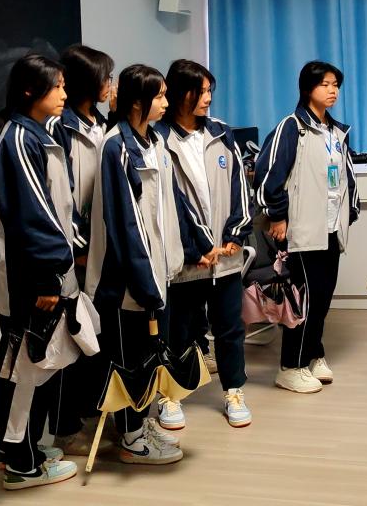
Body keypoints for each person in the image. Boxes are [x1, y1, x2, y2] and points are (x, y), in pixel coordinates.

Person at [84, 64, 216, 465]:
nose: (165, 102)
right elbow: (125, 224)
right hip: (127, 280)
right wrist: (145, 285)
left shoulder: (155, 141)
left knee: (150, 356)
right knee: (128, 361)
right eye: (159, 96)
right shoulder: (116, 147)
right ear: (137, 101)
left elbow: (174, 202)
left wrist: (197, 246)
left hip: (159, 274)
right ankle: (131, 438)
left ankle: (142, 423)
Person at [0, 54, 79, 489]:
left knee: (22, 361)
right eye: (58, 86)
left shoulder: (33, 134)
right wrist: (49, 277)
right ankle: (22, 463)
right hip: (31, 277)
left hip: (32, 273)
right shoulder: (19, 139)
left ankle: (14, 447)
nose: (65, 94)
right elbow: (34, 217)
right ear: (31, 90)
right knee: (28, 366)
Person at [155, 60, 253, 428]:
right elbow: (165, 202)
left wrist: (235, 234)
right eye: (201, 91)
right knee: (178, 331)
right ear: (180, 93)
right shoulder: (158, 139)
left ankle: (234, 390)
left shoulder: (221, 133)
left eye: (210, 90)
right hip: (187, 260)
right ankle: (171, 395)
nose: (208, 98)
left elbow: (239, 187)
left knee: (230, 328)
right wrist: (193, 249)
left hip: (225, 256)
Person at [254, 61, 360, 394]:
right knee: (302, 301)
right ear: (307, 88)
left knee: (322, 298)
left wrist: (349, 212)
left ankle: (313, 354)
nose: (333, 90)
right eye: (325, 84)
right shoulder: (292, 127)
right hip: (302, 230)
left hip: (330, 228)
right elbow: (268, 177)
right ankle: (290, 366)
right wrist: (278, 216)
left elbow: (344, 177)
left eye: (336, 85)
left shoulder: (335, 131)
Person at [46, 44, 115, 455]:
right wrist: (80, 247)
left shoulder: (101, 124)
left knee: (96, 336)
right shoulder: (61, 127)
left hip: (101, 249)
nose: (110, 84)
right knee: (71, 338)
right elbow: (61, 197)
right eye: (105, 77)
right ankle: (64, 429)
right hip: (76, 252)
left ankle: (90, 411)